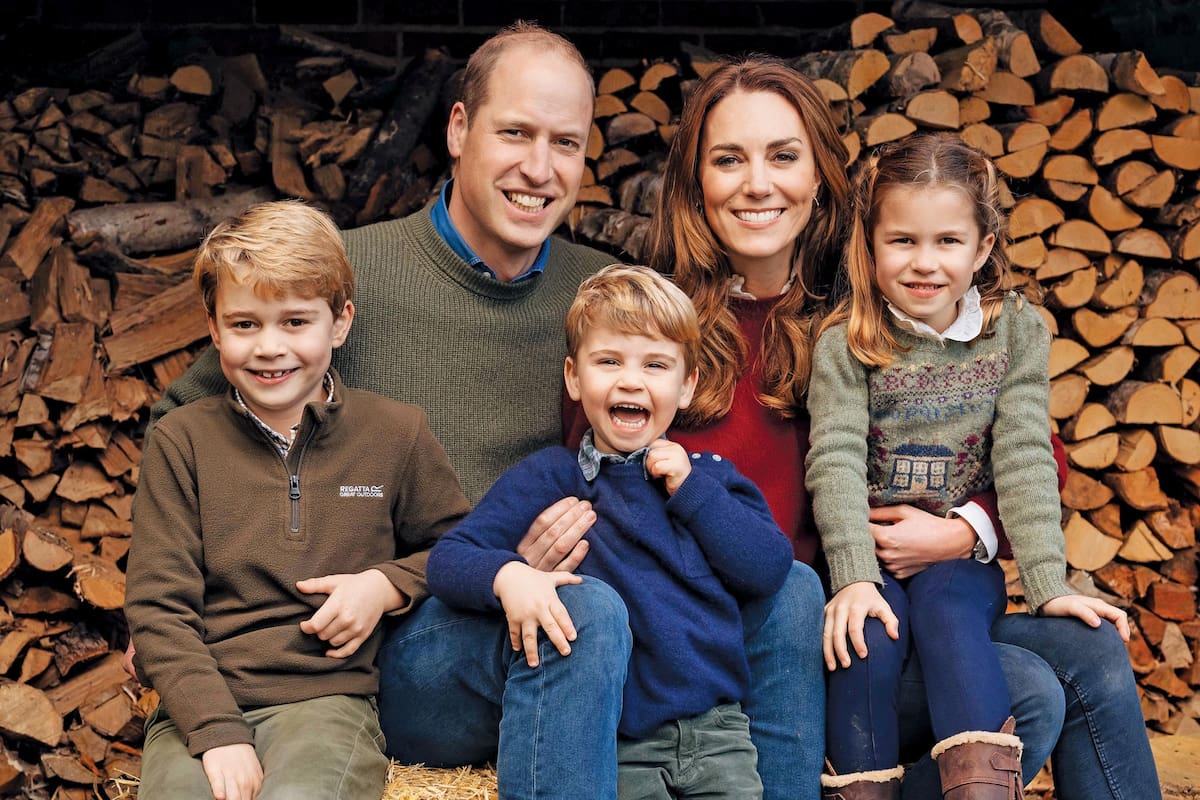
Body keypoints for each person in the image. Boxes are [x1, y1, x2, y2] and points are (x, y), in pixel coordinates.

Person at [148, 23, 823, 800]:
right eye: (515, 133)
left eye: (565, 143)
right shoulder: (351, 277)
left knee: (791, 590)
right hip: (427, 636)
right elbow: (193, 420)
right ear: (459, 129)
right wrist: (185, 612)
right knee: (589, 612)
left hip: (589, 615)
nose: (539, 169)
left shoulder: (600, 291)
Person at [627, 56, 1158, 800]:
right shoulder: (655, 330)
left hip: (912, 596)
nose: (757, 183)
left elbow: (1042, 455)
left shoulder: (877, 299)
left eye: (783, 156)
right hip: (783, 639)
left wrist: (965, 531)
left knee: (1090, 650)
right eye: (727, 160)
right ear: (694, 181)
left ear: (819, 176)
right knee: (1030, 692)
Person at [805, 134, 1131, 799]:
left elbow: (1024, 454)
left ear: (982, 247)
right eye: (902, 241)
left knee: (952, 611)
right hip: (871, 559)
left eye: (947, 242)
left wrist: (1048, 582)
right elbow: (833, 456)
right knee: (865, 636)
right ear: (870, 243)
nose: (924, 264)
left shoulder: (1015, 333)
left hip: (959, 566)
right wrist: (853, 577)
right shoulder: (848, 342)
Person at [124, 200, 472, 800]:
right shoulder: (181, 441)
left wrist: (384, 585)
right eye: (244, 324)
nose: (269, 347)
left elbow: (460, 547)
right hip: (200, 704)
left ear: (339, 323)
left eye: (294, 321)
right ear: (213, 328)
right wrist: (216, 732)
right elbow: (158, 609)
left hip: (327, 702)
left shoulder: (396, 433)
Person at [429, 264, 794, 799]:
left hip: (717, 733)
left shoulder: (709, 479)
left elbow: (768, 568)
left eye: (655, 364)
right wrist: (510, 577)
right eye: (608, 361)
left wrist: (692, 492)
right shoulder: (552, 477)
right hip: (621, 739)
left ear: (687, 385)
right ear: (575, 378)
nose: (630, 380)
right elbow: (449, 559)